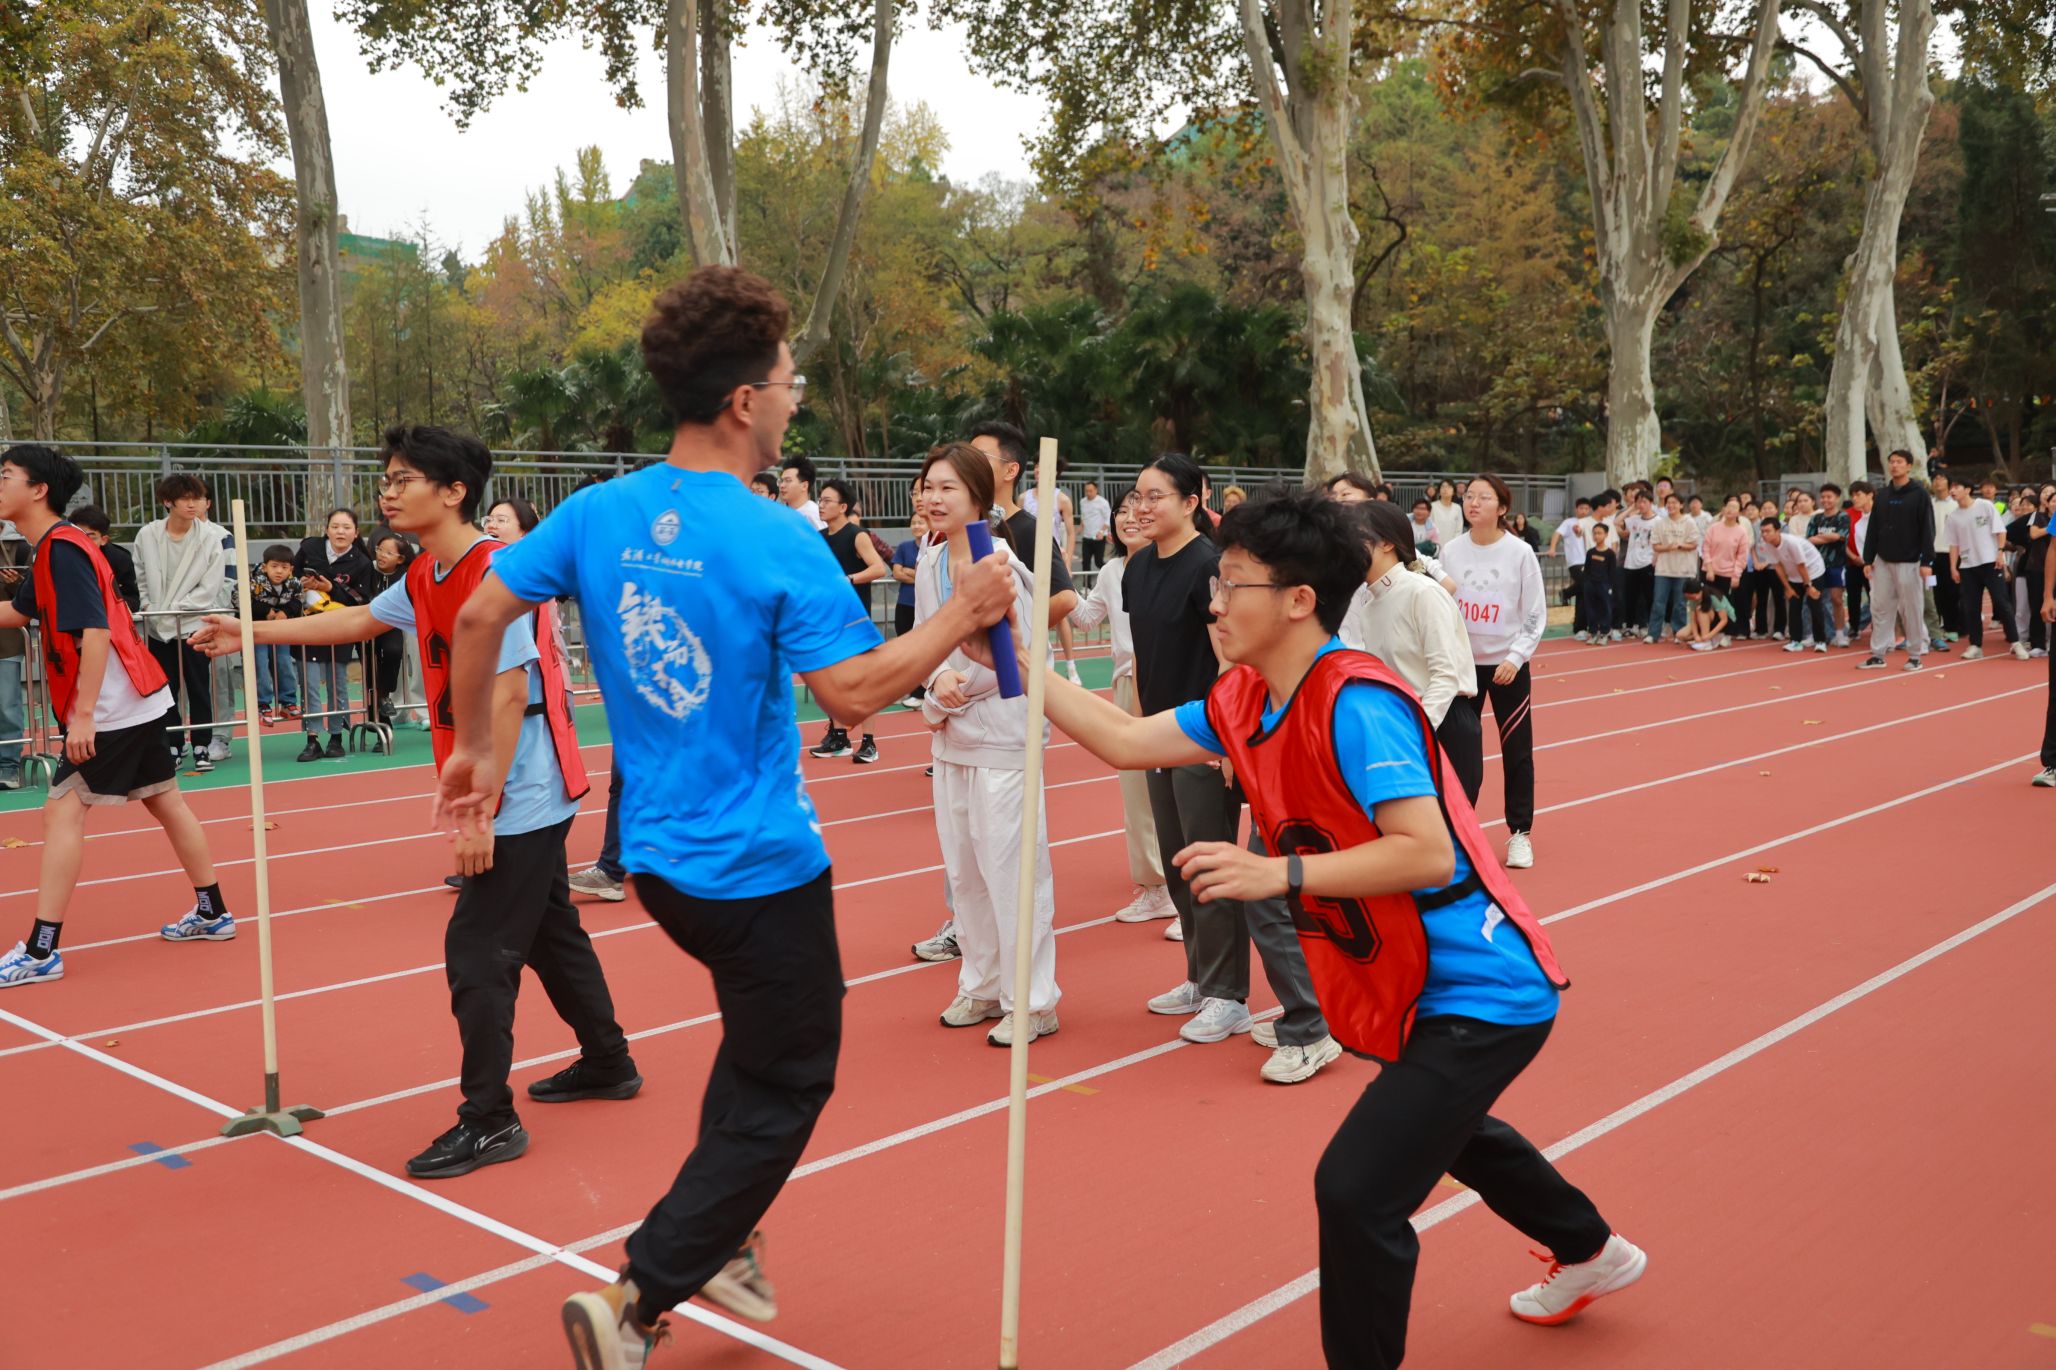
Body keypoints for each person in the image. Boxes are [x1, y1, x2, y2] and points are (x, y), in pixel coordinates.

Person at [431, 267, 1019, 1359]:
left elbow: (476, 615)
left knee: (757, 1051)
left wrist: (470, 748)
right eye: (790, 382)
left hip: (654, 860)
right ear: (746, 401)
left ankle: (728, 1239)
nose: (796, 399)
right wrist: (964, 615)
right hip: (759, 866)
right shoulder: (777, 535)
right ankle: (635, 1299)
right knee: (791, 1076)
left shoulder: (598, 511)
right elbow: (852, 694)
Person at [1014, 485, 1640, 1370]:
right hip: (1404, 978)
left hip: (1481, 988)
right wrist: (1017, 656)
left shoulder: (1357, 703)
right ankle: (1590, 1250)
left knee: (1354, 1190)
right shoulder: (1244, 697)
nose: (1214, 603)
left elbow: (1424, 852)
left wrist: (1280, 873)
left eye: (1233, 583)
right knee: (1452, 1131)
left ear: (1299, 599)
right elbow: (1123, 740)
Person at [194, 425, 640, 1181]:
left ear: (454, 490)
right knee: (548, 932)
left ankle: (490, 1119)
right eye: (386, 480)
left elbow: (508, 697)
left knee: (478, 953)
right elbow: (361, 620)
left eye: (404, 479)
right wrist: (251, 633)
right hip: (510, 785)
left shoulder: (499, 572)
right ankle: (608, 1060)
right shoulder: (428, 571)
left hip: (520, 788)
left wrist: (481, 809)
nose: (388, 493)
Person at [1125, 453, 1334, 1080]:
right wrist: (1138, 720)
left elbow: (1229, 655)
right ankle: (1199, 975)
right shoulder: (1139, 567)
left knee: (1212, 864)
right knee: (1177, 861)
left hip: (1205, 736)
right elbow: (1144, 651)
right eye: (1137, 496)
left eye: (1156, 496)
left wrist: (1226, 739)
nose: (1142, 506)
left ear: (1192, 502)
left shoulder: (1207, 568)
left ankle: (1228, 995)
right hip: (1161, 732)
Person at [0, 446, 234, 989]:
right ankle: (213, 911)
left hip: (112, 706)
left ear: (38, 489)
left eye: (6, 475)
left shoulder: (63, 549)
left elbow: (97, 630)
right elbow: (20, 612)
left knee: (62, 811)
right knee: (166, 800)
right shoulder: (52, 546)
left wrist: (84, 716)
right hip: (139, 695)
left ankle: (41, 950)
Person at [914, 444, 1061, 1046]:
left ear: (978, 496)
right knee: (966, 873)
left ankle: (1034, 1001)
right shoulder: (930, 559)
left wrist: (948, 692)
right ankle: (981, 983)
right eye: (928, 487)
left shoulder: (999, 564)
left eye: (947, 488)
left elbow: (1018, 658)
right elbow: (925, 639)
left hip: (1002, 736)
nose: (933, 498)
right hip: (953, 740)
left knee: (1012, 873)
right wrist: (933, 682)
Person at [1067, 487, 1175, 927]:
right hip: (1128, 684)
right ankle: (1157, 887)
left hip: (1168, 683)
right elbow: (1084, 618)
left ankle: (1184, 887)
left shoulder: (1172, 565)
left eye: (1137, 509)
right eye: (1121, 511)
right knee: (1136, 790)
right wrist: (1051, 576)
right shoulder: (1112, 571)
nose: (1129, 518)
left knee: (1177, 789)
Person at [1338, 500, 1481, 800]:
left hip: (1442, 722)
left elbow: (1446, 676)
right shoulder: (1370, 605)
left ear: (1387, 542)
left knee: (1447, 827)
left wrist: (1413, 732)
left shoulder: (1423, 592)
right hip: (1400, 726)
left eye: (1356, 537)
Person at [1439, 474, 1546, 870]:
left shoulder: (1520, 553)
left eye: (1484, 497)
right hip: (1462, 668)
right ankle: (1457, 829)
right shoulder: (1451, 551)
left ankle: (1520, 833)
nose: (1473, 503)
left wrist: (1515, 657)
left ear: (1502, 508)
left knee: (1516, 751)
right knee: (1458, 751)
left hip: (1506, 668)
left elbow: (1534, 613)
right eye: (1469, 496)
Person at [134, 474, 230, 771]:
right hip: (157, 626)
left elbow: (210, 586)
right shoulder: (148, 535)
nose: (193, 505)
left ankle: (201, 745)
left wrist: (177, 608)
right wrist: (149, 606)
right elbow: (140, 574)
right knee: (166, 690)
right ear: (168, 502)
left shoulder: (210, 538)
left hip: (193, 625)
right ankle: (174, 745)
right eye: (186, 499)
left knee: (199, 688)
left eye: (197, 498)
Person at [805, 478, 889, 765]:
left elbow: (878, 568)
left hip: (856, 619)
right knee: (833, 680)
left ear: (843, 507)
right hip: (828, 617)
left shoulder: (857, 535)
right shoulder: (819, 537)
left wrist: (849, 580)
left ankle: (869, 742)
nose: (821, 504)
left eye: (827, 500)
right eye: (820, 499)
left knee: (864, 681)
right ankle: (839, 737)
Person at [293, 508, 375, 761]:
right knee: (309, 685)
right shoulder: (309, 549)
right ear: (326, 529)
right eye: (335, 526)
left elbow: (362, 600)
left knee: (337, 683)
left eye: (347, 527)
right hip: (308, 627)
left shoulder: (362, 563)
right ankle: (312, 739)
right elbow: (289, 578)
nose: (340, 532)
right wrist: (299, 585)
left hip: (340, 629)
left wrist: (331, 588)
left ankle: (336, 737)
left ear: (356, 533)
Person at [1855, 450, 1936, 671]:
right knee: (1880, 607)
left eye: (1899, 462)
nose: (1894, 465)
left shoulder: (1919, 494)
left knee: (1911, 609)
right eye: (1891, 462)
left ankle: (1915, 655)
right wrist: (1868, 559)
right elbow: (1873, 528)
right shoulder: (1882, 495)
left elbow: (1928, 528)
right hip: (1883, 560)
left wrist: (1927, 561)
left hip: (1910, 561)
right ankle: (1878, 654)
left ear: (1909, 466)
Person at [1946, 476, 2028, 661]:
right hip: (1968, 566)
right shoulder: (1953, 516)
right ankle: (1975, 645)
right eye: (1951, 488)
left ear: (1968, 489)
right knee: (1971, 607)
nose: (1952, 491)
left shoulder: (1985, 506)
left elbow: (2000, 531)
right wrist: (1953, 567)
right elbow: (1953, 544)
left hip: (1991, 562)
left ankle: (2015, 642)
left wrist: (2000, 552)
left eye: (1956, 487)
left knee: (2001, 602)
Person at [250, 545, 304, 725]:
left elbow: (298, 601)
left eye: (284, 567)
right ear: (265, 567)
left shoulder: (294, 583)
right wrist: (265, 611)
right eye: (274, 566)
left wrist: (285, 612)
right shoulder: (253, 582)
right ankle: (262, 704)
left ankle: (288, 702)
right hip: (257, 631)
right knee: (260, 664)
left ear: (291, 569)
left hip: (280, 631)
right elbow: (239, 600)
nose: (279, 571)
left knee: (284, 663)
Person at [1764, 518, 1830, 652]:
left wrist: (1809, 586)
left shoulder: (1791, 543)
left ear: (1778, 531)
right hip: (1794, 575)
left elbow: (1801, 566)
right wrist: (1788, 588)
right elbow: (1778, 567)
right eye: (1762, 531)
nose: (1764, 534)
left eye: (1768, 531)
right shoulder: (1767, 545)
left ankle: (1820, 641)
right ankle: (1795, 641)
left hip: (1813, 571)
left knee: (1815, 605)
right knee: (1794, 606)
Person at [1647, 492, 1698, 644]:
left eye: (1674, 502)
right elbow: (1655, 546)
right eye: (1668, 503)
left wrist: (1680, 545)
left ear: (1681, 505)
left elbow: (1694, 544)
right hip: (1663, 569)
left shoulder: (1689, 522)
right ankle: (1653, 634)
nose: (1671, 505)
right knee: (1658, 602)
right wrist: (1668, 547)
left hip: (1683, 569)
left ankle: (1679, 633)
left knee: (1680, 603)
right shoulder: (1660, 523)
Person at [69, 505, 139, 609]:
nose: (84, 542)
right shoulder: (64, 557)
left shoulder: (119, 560)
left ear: (103, 540)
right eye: (79, 536)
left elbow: (132, 599)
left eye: (91, 538)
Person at [1809, 483, 1852, 646]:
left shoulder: (1843, 517)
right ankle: (1819, 633)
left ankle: (1840, 634)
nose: (1825, 500)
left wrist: (1822, 537)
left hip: (1837, 564)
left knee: (1836, 599)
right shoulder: (1816, 518)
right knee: (1816, 599)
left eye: (1829, 497)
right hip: (1817, 564)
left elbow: (1840, 536)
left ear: (1837, 498)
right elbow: (1809, 539)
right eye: (1823, 497)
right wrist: (1830, 536)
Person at [1619, 487, 1659, 639]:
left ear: (1651, 503)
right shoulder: (1634, 519)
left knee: (1648, 596)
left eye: (1644, 502)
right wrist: (1631, 508)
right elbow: (1617, 522)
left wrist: (1656, 559)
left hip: (1648, 562)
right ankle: (1630, 625)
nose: (1641, 505)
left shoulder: (1658, 521)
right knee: (1630, 596)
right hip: (1631, 563)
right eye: (1639, 502)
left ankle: (1648, 625)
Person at [1582, 523, 1619, 643]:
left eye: (1599, 533)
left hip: (1604, 585)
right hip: (1590, 584)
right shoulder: (1590, 552)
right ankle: (1593, 632)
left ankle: (1604, 633)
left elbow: (1612, 572)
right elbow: (1587, 569)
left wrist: (1611, 587)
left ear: (1606, 535)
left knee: (1605, 609)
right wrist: (1586, 583)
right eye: (1595, 533)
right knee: (1591, 609)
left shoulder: (1610, 554)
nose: (1596, 536)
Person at [1676, 579, 1732, 650]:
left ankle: (1706, 642)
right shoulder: (1692, 600)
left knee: (1701, 609)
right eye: (1688, 598)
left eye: (1692, 597)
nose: (1691, 599)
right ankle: (1708, 637)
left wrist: (1709, 635)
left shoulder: (1713, 597)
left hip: (1726, 622)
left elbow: (1724, 620)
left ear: (1699, 592)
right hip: (1705, 621)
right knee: (1680, 635)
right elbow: (1693, 620)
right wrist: (1696, 636)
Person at [777, 452, 824, 529]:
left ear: (804, 486)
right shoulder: (780, 513)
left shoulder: (812, 515)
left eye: (788, 480)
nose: (782, 485)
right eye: (781, 481)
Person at [1077, 480, 1112, 571]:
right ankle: (1086, 580)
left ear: (1096, 490)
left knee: (1098, 562)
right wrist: (1080, 528)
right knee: (1085, 562)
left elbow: (1108, 518)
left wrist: (1101, 532)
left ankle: (1111, 573)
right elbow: (1084, 516)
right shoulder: (1082, 502)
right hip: (1086, 537)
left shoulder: (1102, 502)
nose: (1088, 493)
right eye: (1086, 491)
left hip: (1099, 537)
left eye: (1091, 491)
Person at [1427, 478, 1464, 549]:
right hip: (1435, 547)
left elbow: (1459, 529)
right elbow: (1429, 528)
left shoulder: (1457, 508)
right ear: (1439, 490)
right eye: (1443, 487)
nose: (1445, 489)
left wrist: (1453, 545)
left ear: (1454, 492)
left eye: (1449, 487)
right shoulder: (1432, 506)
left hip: (1452, 547)